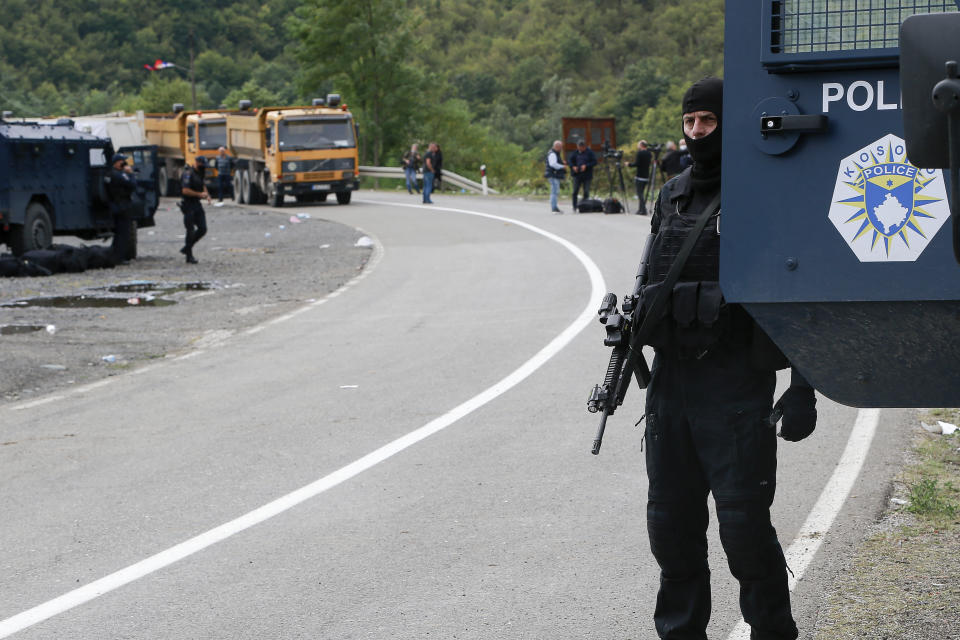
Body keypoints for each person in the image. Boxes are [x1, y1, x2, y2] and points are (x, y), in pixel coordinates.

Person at [637, 77, 816, 640]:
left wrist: (805, 383)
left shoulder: (761, 192)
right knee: (671, 527)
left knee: (743, 530)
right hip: (671, 386)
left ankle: (772, 632)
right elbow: (651, 277)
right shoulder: (671, 195)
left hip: (736, 384)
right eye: (689, 123)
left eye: (707, 122)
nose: (696, 132)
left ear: (727, 124)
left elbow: (797, 288)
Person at [104, 152, 137, 263]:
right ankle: (119, 257)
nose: (124, 163)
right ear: (117, 162)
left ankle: (114, 255)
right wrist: (130, 174)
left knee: (118, 233)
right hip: (122, 206)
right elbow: (132, 185)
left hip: (115, 205)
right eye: (122, 161)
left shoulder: (109, 174)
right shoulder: (119, 175)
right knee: (123, 233)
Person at [180, 156, 212, 264]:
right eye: (202, 165)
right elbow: (185, 190)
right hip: (188, 204)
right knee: (190, 230)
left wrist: (207, 194)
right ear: (197, 162)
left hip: (197, 204)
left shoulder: (199, 173)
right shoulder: (188, 173)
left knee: (202, 228)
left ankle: (186, 247)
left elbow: (202, 184)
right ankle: (189, 256)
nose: (204, 168)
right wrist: (199, 194)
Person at [568, 140, 597, 212]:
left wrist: (586, 166)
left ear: (584, 146)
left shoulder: (589, 152)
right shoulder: (575, 153)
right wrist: (573, 167)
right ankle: (574, 206)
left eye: (581, 147)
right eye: (578, 147)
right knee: (575, 191)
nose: (580, 149)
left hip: (587, 175)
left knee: (586, 191)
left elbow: (594, 162)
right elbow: (570, 161)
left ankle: (585, 206)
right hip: (577, 175)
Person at [628, 140, 653, 215]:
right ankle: (640, 209)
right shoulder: (649, 153)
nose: (637, 146)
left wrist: (629, 164)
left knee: (640, 194)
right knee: (641, 193)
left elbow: (637, 163)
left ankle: (643, 209)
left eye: (638, 144)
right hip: (646, 176)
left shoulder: (640, 153)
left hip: (640, 176)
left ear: (641, 145)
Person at [545, 140, 567, 214]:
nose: (561, 149)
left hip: (554, 175)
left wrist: (561, 162)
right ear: (556, 146)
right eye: (560, 147)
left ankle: (555, 207)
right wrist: (562, 166)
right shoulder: (552, 154)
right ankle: (554, 208)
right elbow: (553, 164)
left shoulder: (555, 153)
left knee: (555, 191)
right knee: (554, 192)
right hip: (553, 175)